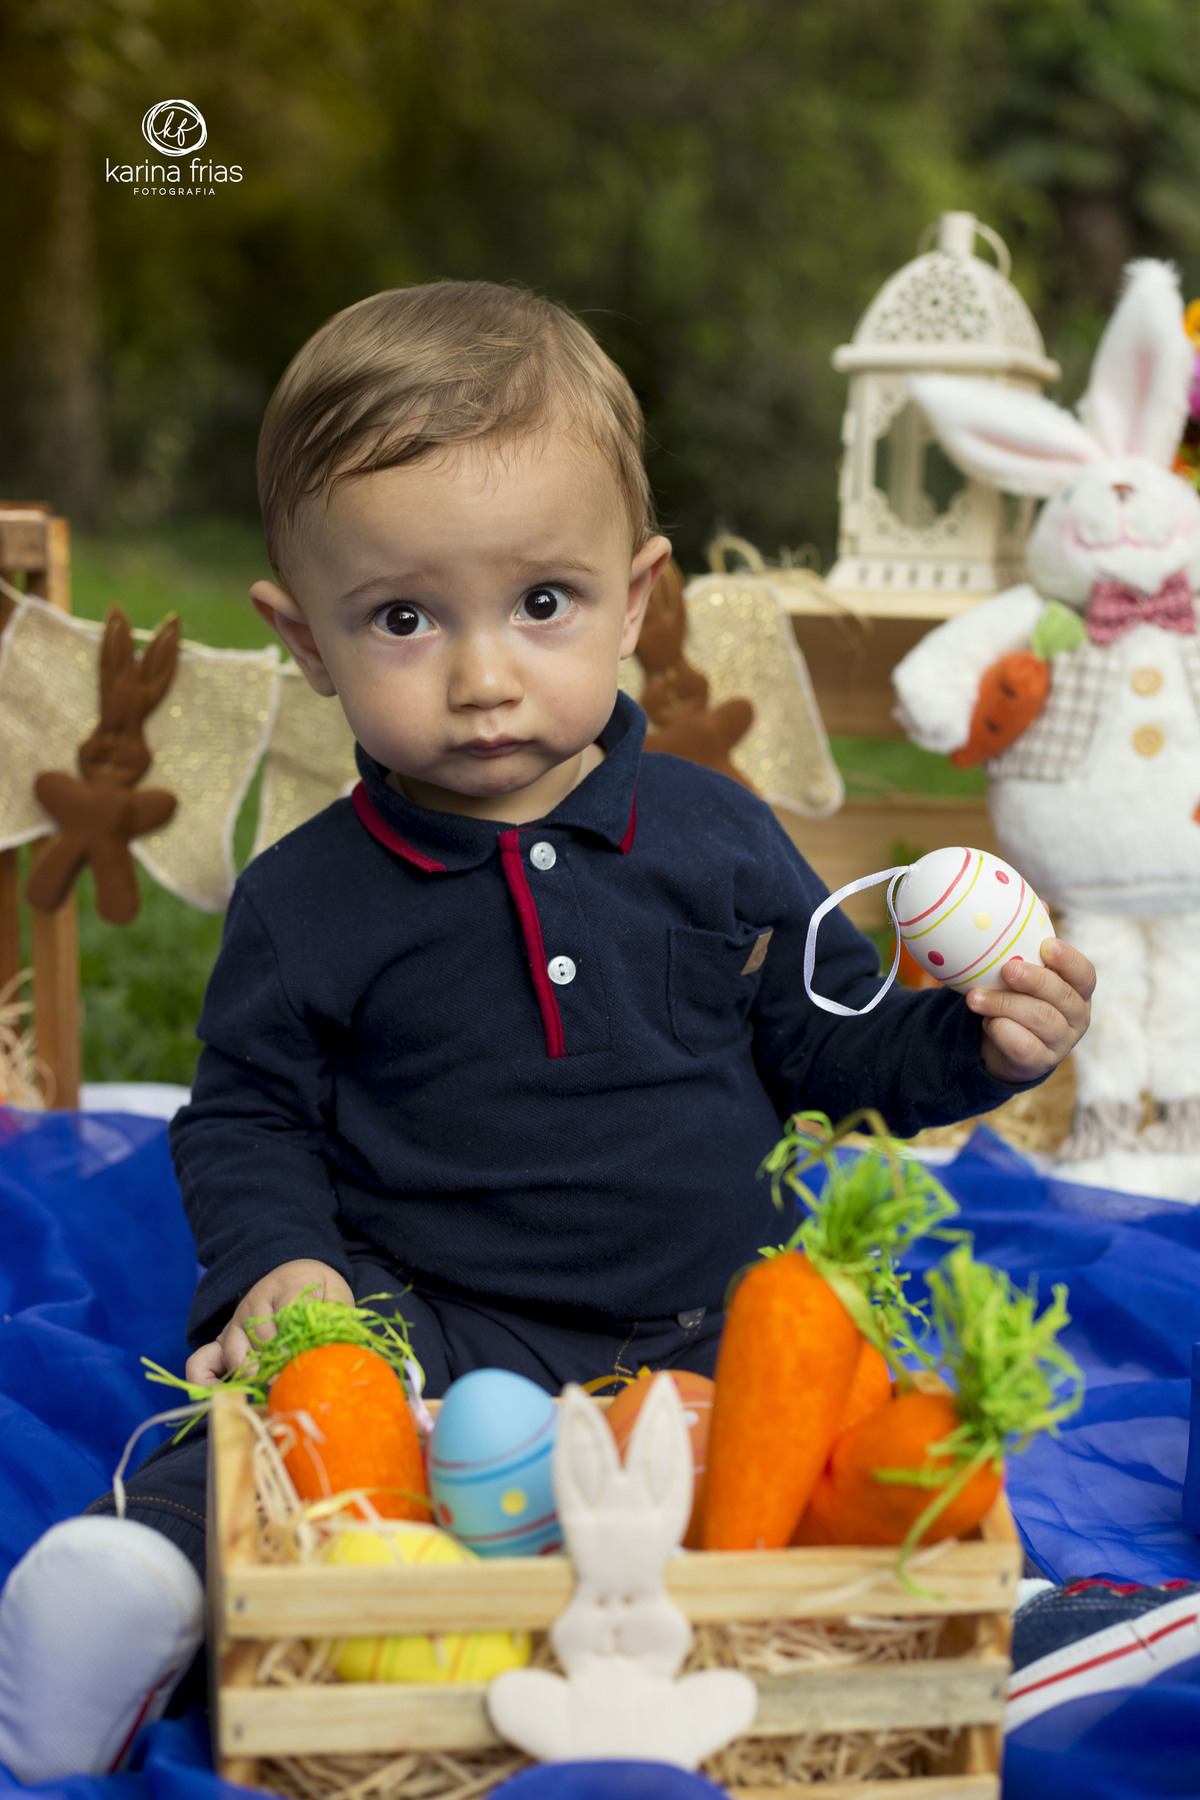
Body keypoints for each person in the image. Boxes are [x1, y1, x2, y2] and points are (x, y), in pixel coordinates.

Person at [0, 280, 1095, 1784]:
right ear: (303, 637)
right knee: (303, 1426)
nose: (484, 675)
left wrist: (979, 1050)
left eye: (542, 603)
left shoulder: (713, 836)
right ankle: (148, 1589)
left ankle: (985, 1615)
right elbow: (247, 1116)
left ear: (636, 597)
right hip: (436, 1317)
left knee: (859, 1401)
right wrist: (282, 1268)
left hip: (715, 1325)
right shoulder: (306, 897)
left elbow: (826, 1059)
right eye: (402, 617)